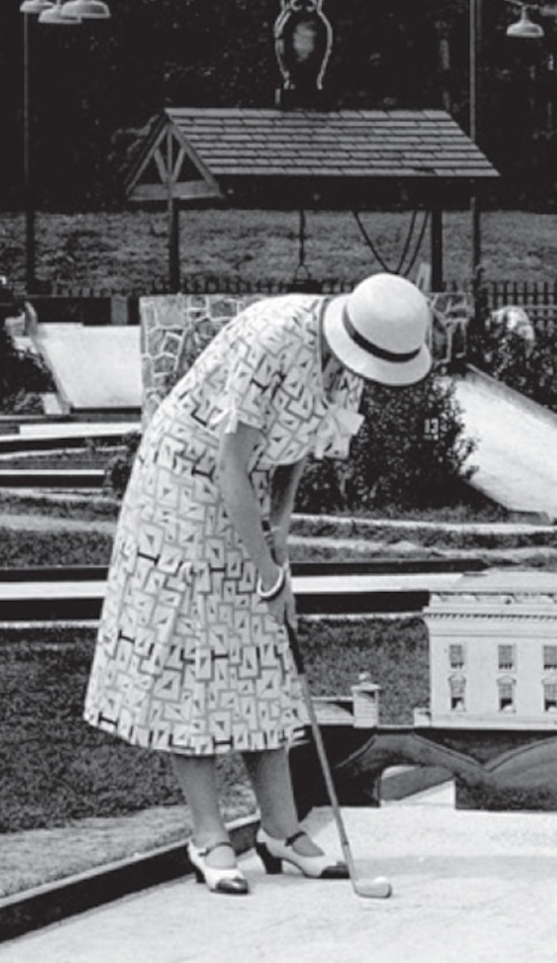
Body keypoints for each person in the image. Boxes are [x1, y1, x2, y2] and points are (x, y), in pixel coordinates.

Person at [82, 272, 435, 894]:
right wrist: (267, 576)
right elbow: (228, 463)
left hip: (251, 487)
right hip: (185, 484)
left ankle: (281, 830)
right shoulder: (272, 340)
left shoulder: (351, 354)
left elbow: (295, 448)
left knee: (261, 656)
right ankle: (209, 836)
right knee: (193, 657)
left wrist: (279, 540)